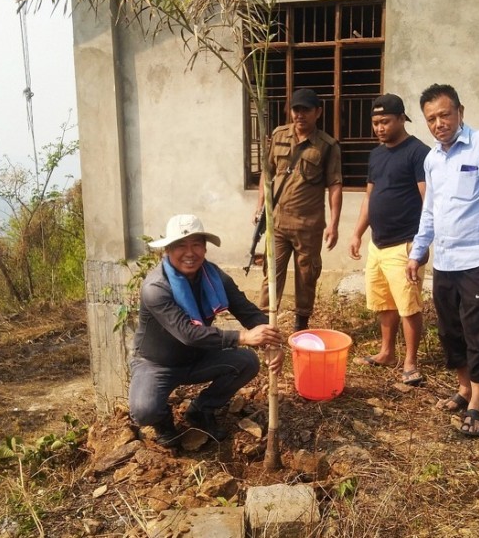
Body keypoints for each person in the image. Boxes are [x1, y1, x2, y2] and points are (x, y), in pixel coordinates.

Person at [406, 83, 479, 437]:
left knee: (476, 331)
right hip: (445, 261)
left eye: (445, 114)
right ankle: (463, 388)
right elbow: (430, 211)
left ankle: (478, 402)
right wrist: (417, 253)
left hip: (478, 259)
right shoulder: (432, 159)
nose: (439, 123)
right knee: (450, 331)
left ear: (460, 111)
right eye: (431, 119)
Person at [129, 214, 284, 446]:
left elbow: (247, 311)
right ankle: (164, 423)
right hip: (158, 364)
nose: (190, 253)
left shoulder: (214, 277)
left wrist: (272, 342)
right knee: (144, 410)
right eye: (181, 245)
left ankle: (201, 409)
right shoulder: (156, 288)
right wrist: (243, 337)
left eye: (196, 245)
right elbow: (187, 333)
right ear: (167, 250)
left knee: (247, 362)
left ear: (205, 248)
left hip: (199, 356)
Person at [348, 93, 431, 386]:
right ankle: (386, 353)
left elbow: (427, 200)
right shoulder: (377, 154)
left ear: (401, 119)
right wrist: (358, 233)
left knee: (408, 305)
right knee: (384, 302)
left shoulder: (418, 152)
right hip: (378, 244)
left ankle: (410, 362)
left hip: (405, 244)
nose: (380, 128)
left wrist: (421, 246)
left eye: (385, 122)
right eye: (375, 123)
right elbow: (370, 197)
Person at [255, 88, 343, 332]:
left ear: (318, 112)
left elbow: (335, 184)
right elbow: (267, 172)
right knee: (271, 274)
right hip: (278, 223)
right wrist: (260, 204)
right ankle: (264, 325)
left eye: (306, 110)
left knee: (307, 276)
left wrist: (334, 224)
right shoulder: (279, 135)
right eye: (296, 109)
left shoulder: (327, 145)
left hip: (309, 226)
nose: (300, 115)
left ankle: (300, 326)